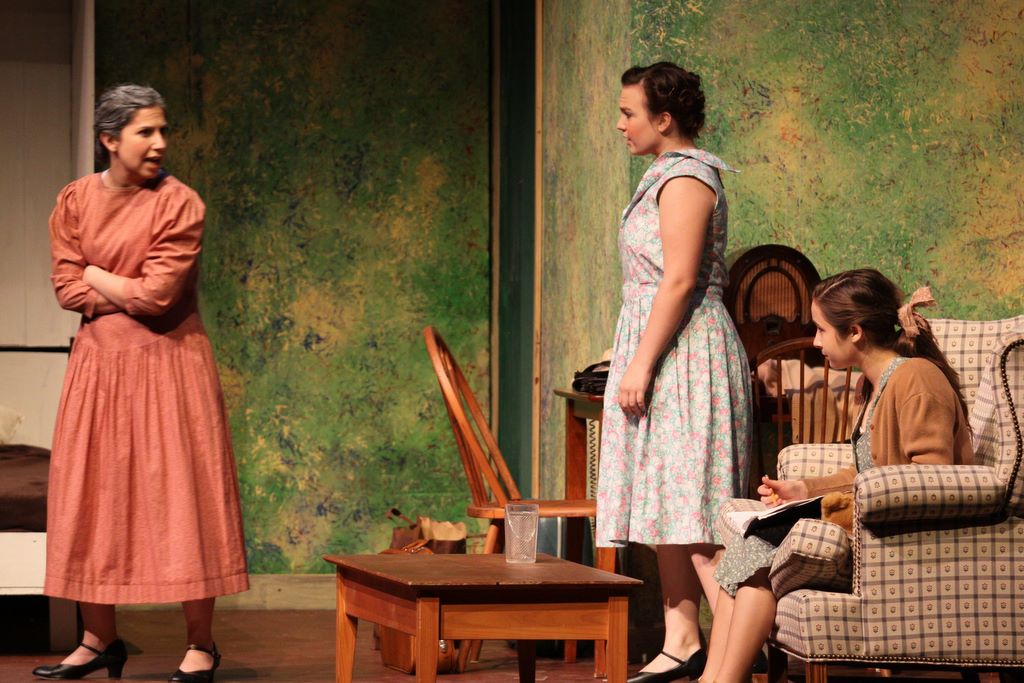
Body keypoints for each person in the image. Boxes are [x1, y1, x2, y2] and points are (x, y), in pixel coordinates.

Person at [33, 84, 249, 682]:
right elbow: (65, 289)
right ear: (110, 139)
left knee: (183, 496)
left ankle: (201, 644)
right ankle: (99, 639)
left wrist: (96, 273)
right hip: (99, 369)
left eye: (162, 131)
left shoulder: (179, 204)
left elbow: (157, 298)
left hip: (170, 365)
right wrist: (110, 286)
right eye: (145, 132)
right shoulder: (75, 199)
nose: (159, 143)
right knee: (92, 495)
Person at [699, 268, 974, 683]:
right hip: (872, 525)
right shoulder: (874, 386)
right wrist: (803, 489)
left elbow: (930, 480)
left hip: (901, 544)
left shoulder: (915, 379)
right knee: (747, 548)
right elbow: (869, 471)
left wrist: (831, 508)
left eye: (822, 330)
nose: (815, 342)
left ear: (855, 332)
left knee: (756, 551)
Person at [596, 62, 752, 683]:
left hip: (687, 352)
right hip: (664, 344)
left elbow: (681, 279)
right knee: (668, 501)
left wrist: (640, 362)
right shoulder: (664, 173)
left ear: (664, 119)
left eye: (628, 113)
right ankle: (683, 639)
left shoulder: (687, 177)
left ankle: (741, 648)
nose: (620, 124)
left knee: (696, 509)